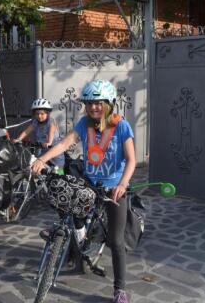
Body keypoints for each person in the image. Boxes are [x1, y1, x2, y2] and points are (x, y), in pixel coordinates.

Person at [30, 79, 135, 303]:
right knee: (68, 202)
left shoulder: (121, 126)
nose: (93, 107)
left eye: (98, 103)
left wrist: (122, 185)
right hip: (89, 182)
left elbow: (132, 159)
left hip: (114, 187)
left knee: (116, 241)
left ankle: (120, 290)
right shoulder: (84, 124)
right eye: (89, 104)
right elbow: (64, 143)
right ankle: (68, 243)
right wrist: (42, 158)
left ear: (109, 104)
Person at [13, 98, 65, 174]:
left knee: (58, 172)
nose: (39, 116)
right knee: (36, 168)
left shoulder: (51, 121)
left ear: (47, 113)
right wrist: (19, 139)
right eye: (37, 114)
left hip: (55, 150)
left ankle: (61, 181)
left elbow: (51, 131)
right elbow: (26, 131)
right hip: (43, 150)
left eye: (42, 114)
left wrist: (49, 142)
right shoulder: (35, 122)